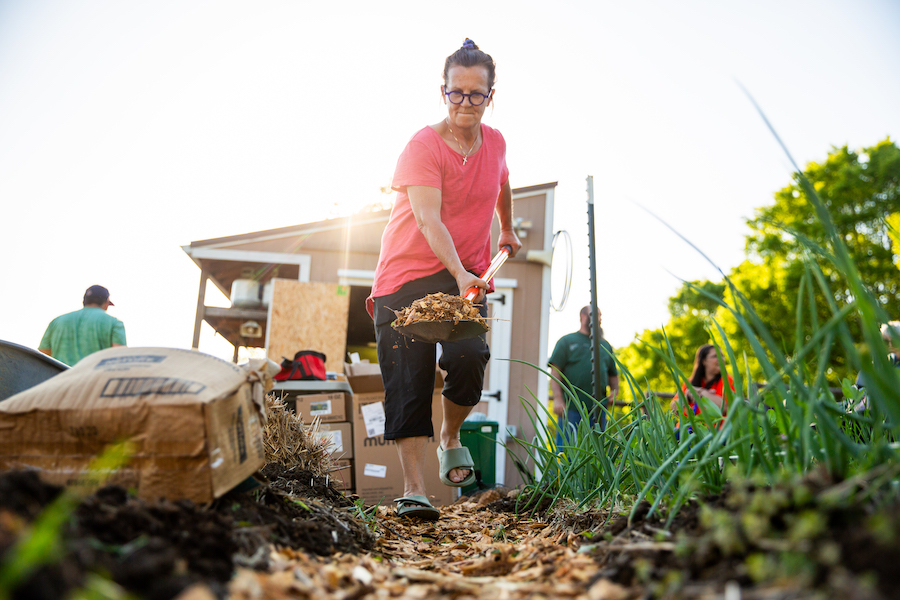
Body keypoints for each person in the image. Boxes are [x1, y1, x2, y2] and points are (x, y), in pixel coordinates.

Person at [366, 39, 521, 520]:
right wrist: (459, 273)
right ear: (443, 91)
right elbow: (429, 221)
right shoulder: (423, 145)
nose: (466, 104)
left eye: (477, 94)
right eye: (457, 93)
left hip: (466, 271)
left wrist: (509, 227)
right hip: (407, 278)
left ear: (491, 96)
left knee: (470, 356)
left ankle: (451, 436)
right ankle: (414, 489)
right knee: (408, 379)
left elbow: (502, 181)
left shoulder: (494, 141)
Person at [549, 305, 619, 447]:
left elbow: (613, 374)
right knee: (568, 451)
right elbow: (555, 373)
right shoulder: (567, 341)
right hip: (572, 408)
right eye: (594, 315)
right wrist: (558, 399)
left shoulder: (605, 345)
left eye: (600, 316)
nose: (599, 319)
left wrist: (614, 391)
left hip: (599, 409)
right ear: (583, 317)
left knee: (597, 452)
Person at [39, 285, 126, 366]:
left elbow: (42, 355)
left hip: (61, 379)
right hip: (94, 380)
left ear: (84, 301)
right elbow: (120, 358)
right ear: (106, 303)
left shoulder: (57, 321)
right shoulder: (115, 323)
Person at [670, 344, 734, 425]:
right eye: (715, 356)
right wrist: (687, 398)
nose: (721, 359)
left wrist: (702, 393)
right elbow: (673, 408)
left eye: (722, 356)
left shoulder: (728, 380)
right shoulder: (690, 382)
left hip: (715, 433)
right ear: (704, 361)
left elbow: (726, 407)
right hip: (686, 431)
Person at [853, 321, 900, 412]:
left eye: (894, 341)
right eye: (885, 341)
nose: (890, 346)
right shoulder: (870, 369)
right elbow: (856, 397)